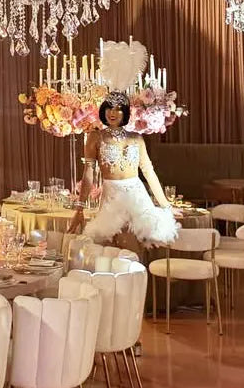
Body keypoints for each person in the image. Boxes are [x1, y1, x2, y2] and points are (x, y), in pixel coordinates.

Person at [67, 40, 178, 247]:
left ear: (125, 112)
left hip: (139, 198)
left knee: (137, 247)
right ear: (104, 110)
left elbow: (149, 172)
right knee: (111, 247)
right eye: (109, 108)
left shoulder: (136, 137)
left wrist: (165, 206)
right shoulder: (96, 137)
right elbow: (88, 174)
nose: (113, 112)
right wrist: (79, 209)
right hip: (111, 197)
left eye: (118, 109)